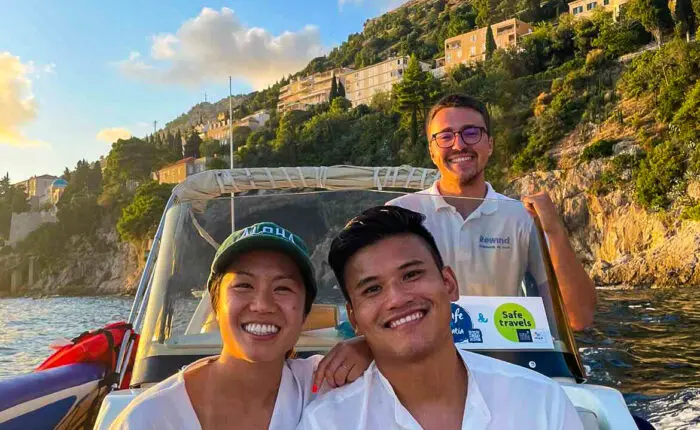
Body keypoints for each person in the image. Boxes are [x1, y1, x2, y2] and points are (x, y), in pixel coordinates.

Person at [298, 206, 583, 430]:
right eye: (373, 289)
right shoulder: (327, 423)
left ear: (449, 283)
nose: (397, 298)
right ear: (354, 317)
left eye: (411, 274)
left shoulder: (540, 401)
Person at [111, 222, 372, 429]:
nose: (262, 305)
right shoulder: (149, 419)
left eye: (282, 288)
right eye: (244, 285)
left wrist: (370, 347)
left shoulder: (325, 384)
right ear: (216, 304)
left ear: (304, 313)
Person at [388, 93, 596, 331]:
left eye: (471, 132)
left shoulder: (522, 218)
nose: (459, 144)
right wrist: (361, 344)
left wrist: (556, 231)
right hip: (423, 360)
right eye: (445, 136)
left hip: (503, 362)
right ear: (432, 151)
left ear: (490, 145)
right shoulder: (398, 215)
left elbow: (578, 318)